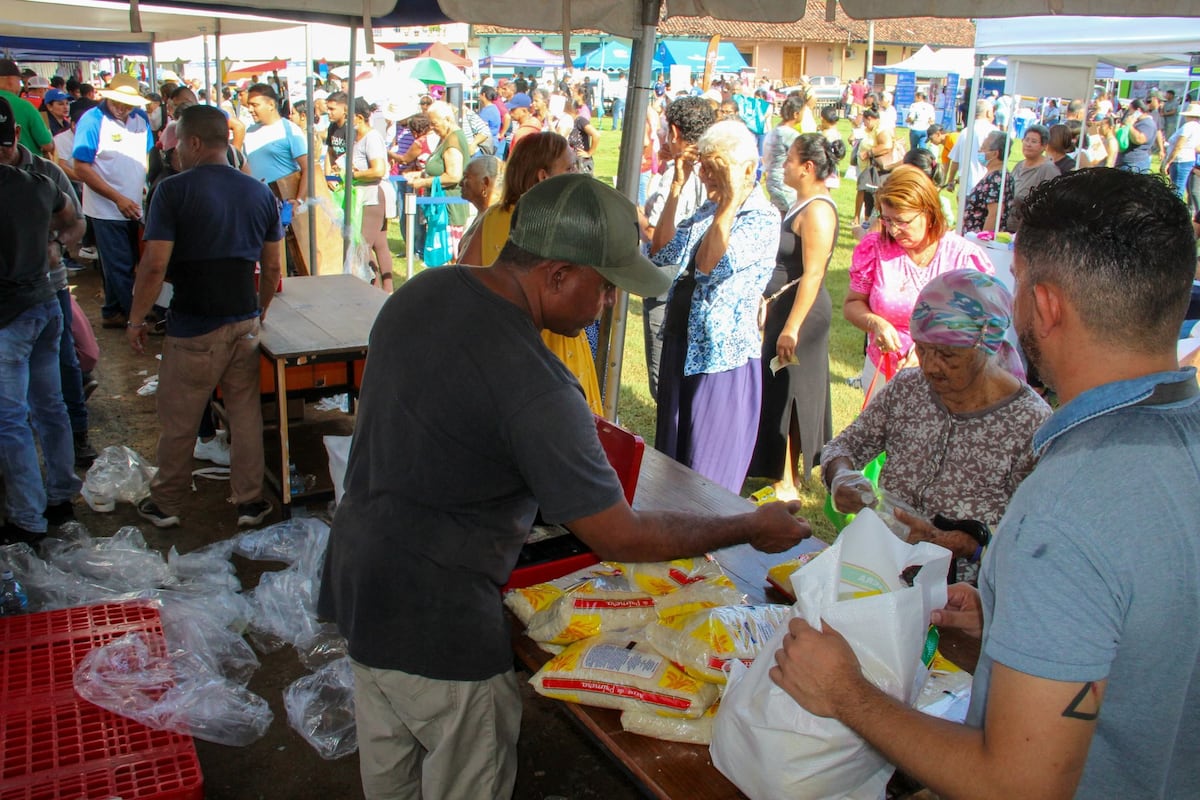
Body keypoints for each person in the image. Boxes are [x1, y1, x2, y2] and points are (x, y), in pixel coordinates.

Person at [318, 173, 812, 800]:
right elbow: (618, 535)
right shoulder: (540, 385)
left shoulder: (421, 292)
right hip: (440, 628)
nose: (606, 305)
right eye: (604, 287)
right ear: (555, 274)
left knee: (390, 783)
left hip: (360, 581)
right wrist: (746, 524)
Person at [773, 167, 1200, 800]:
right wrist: (998, 639)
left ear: (1044, 305)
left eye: (1019, 281)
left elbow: (1018, 784)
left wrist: (846, 693)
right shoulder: (1176, 448)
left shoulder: (1065, 503)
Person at [825, 269, 1049, 583]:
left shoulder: (1030, 423)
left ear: (987, 346)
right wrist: (841, 476)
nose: (930, 366)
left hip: (964, 598)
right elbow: (843, 447)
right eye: (922, 349)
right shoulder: (908, 388)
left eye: (947, 354)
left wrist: (966, 545)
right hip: (875, 568)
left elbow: (1040, 538)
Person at [127, 105, 283, 530]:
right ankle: (250, 501)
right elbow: (272, 269)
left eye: (177, 145)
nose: (174, 154)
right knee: (245, 413)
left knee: (180, 416)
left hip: (195, 322)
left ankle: (167, 502)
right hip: (243, 320)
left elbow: (154, 266)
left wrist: (136, 318)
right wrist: (261, 309)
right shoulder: (260, 192)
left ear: (194, 143)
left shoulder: (173, 191)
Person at [651, 120, 781, 493]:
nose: (706, 174)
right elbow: (662, 251)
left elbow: (710, 264)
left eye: (715, 166)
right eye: (704, 165)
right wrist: (677, 185)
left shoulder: (761, 218)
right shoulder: (707, 211)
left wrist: (730, 199)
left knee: (705, 478)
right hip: (681, 349)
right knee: (670, 468)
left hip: (720, 362)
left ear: (745, 169)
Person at [459, 132, 604, 415]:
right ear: (543, 177)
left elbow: (465, 283)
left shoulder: (492, 218)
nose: (577, 174)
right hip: (556, 352)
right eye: (570, 168)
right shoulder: (562, 223)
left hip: (501, 352)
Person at [0, 97, 84, 545]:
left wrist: (55, 246)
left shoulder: (42, 176)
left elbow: (74, 225)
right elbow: (68, 218)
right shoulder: (39, 181)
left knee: (14, 417)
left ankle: (31, 515)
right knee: (44, 405)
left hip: (23, 310)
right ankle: (54, 495)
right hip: (41, 302)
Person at [845, 165, 994, 402]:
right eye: (887, 220)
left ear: (928, 211)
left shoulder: (963, 258)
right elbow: (853, 304)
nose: (893, 230)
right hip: (884, 370)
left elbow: (984, 326)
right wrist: (876, 324)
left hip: (946, 380)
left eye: (902, 221)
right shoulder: (875, 247)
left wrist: (932, 350)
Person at [749, 133, 840, 501]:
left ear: (808, 167)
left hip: (801, 313)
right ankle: (784, 475)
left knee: (789, 394)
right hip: (787, 309)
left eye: (789, 160)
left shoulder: (817, 210)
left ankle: (786, 483)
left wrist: (791, 326)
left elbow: (814, 273)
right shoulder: (800, 204)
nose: (782, 165)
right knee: (782, 391)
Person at [641, 96, 717, 402]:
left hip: (667, 291)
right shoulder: (719, 175)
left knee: (666, 391)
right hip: (700, 296)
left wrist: (638, 217)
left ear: (674, 131)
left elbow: (659, 243)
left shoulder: (679, 175)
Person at [72, 74, 152, 329]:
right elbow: (82, 168)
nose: (123, 108)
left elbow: (146, 154)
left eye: (128, 104)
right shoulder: (93, 120)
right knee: (120, 265)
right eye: (119, 102)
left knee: (125, 262)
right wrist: (117, 198)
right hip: (106, 207)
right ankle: (136, 318)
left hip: (134, 203)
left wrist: (142, 184)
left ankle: (112, 311)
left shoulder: (141, 119)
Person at [403, 100, 471, 256]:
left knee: (452, 255)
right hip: (442, 206)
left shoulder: (453, 140)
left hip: (450, 208)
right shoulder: (446, 137)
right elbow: (439, 168)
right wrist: (421, 174)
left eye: (434, 123)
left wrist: (423, 182)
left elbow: (453, 175)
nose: (431, 128)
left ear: (447, 119)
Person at [345, 98, 392, 292]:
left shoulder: (371, 137)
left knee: (362, 247)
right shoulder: (356, 137)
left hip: (372, 196)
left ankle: (373, 290)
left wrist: (353, 174)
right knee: (379, 245)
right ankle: (385, 291)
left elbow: (378, 170)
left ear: (358, 117)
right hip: (364, 196)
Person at [963, 130, 1015, 235]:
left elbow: (994, 214)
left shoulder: (998, 178)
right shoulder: (992, 175)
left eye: (983, 148)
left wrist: (983, 239)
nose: (979, 151)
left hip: (981, 240)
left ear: (995, 153)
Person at [0, 60, 54, 156]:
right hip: (24, 167)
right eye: (19, 81)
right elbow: (47, 145)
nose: (20, 86)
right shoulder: (24, 106)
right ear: (10, 80)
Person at [945, 99, 996, 195]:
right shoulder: (994, 132)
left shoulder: (965, 132)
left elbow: (955, 160)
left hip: (966, 185)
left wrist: (950, 180)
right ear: (988, 113)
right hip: (987, 184)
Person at [1009, 123, 1060, 218]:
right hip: (1008, 222)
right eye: (1026, 140)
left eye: (1034, 141)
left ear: (1044, 146)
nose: (1028, 144)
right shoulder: (1019, 165)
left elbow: (1051, 202)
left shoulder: (1048, 169)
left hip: (1029, 224)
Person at [762, 94, 803, 214]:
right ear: (796, 114)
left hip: (772, 177)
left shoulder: (774, 130)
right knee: (787, 215)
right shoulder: (790, 135)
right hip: (784, 181)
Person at [1161, 102, 1200, 202]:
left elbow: (1179, 146)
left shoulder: (1188, 127)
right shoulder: (1197, 127)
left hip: (1180, 159)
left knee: (1177, 188)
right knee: (1180, 186)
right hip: (1189, 158)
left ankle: (1175, 209)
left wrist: (1168, 162)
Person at [1115, 99, 1157, 174]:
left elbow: (1139, 139)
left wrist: (1129, 125)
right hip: (1125, 161)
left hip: (1135, 163)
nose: (1129, 113)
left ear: (1138, 110)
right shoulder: (1137, 122)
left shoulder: (1147, 124)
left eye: (1130, 110)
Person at [563, 97, 599, 174]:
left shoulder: (580, 121)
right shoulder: (568, 122)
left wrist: (589, 153)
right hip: (572, 162)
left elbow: (596, 134)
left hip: (582, 163)